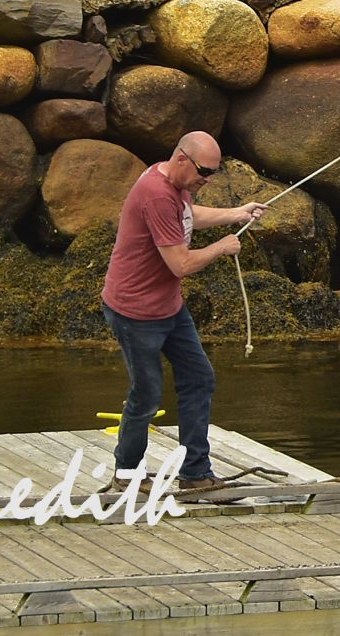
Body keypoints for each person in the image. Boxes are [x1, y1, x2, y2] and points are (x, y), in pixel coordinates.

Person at [100, 132, 265, 496]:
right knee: (146, 393)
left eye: (212, 173)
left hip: (168, 308)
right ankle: (126, 473)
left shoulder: (174, 184)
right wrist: (222, 247)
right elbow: (180, 263)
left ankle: (195, 472)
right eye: (204, 171)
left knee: (199, 378)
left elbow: (189, 215)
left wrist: (236, 213)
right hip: (134, 312)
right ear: (181, 159)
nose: (206, 179)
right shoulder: (156, 193)